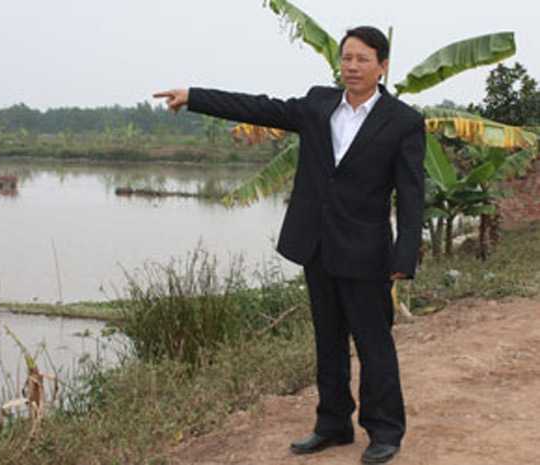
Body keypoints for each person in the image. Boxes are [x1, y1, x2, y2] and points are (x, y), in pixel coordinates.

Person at [154, 25, 425, 465]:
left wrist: (405, 254)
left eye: (362, 59)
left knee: (374, 345)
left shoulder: (403, 122)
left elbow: (412, 194)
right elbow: (259, 107)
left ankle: (385, 431)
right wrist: (194, 96)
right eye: (347, 58)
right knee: (327, 342)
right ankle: (333, 424)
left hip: (366, 252)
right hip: (316, 245)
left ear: (383, 66)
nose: (352, 66)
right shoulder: (319, 104)